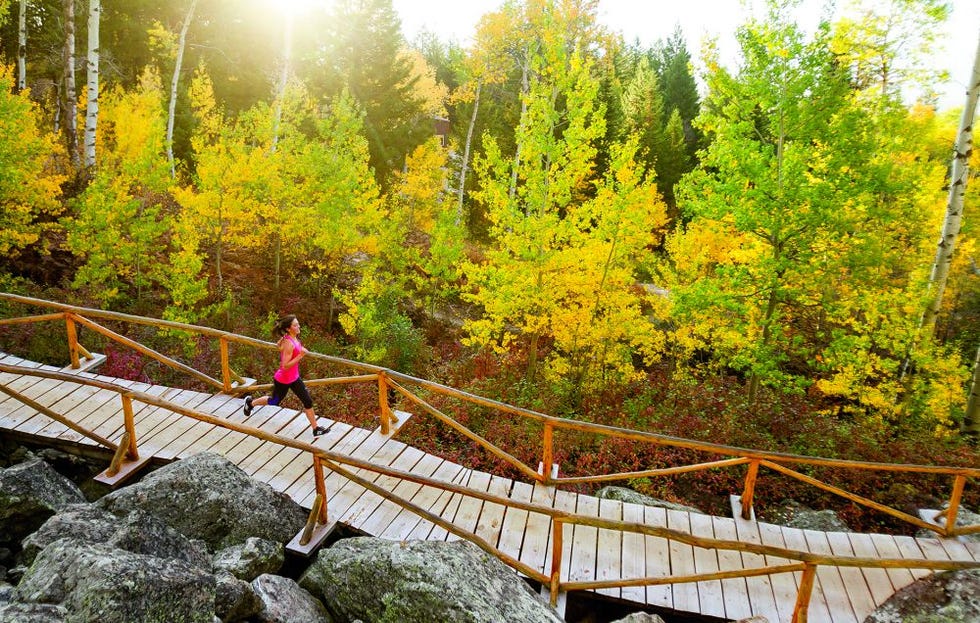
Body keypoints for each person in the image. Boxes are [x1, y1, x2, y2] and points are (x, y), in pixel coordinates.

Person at [244, 314, 330, 437]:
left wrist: (290, 346)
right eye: (295, 325)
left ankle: (316, 429)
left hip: (294, 378)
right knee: (274, 401)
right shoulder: (289, 343)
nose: (298, 326)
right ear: (289, 328)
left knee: (308, 401)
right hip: (283, 380)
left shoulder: (292, 338)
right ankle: (250, 403)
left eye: (298, 323)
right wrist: (300, 355)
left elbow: (280, 347)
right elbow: (284, 366)